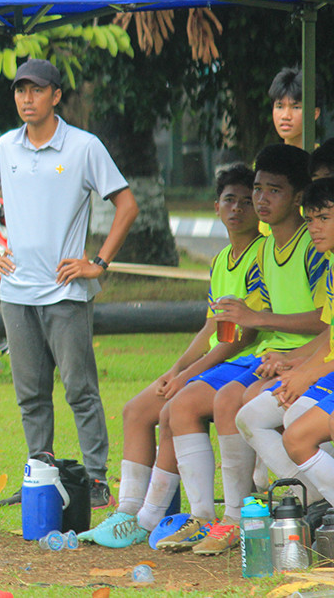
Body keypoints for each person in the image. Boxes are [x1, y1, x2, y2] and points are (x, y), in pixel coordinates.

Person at [0, 58, 139, 508]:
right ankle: (41, 480)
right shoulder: (6, 147)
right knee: (30, 395)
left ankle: (96, 480)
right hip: (16, 292)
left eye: (37, 90)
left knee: (80, 390)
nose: (27, 98)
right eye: (21, 91)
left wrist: (98, 262)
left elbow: (127, 205)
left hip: (66, 291)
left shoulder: (83, 146)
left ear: (56, 96)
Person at [80, 163, 263, 548]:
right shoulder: (221, 260)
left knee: (174, 409)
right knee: (136, 409)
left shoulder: (260, 255)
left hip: (243, 363)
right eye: (230, 200)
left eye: (247, 201)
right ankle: (127, 512)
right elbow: (212, 328)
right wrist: (175, 369)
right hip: (216, 363)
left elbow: (242, 337)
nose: (238, 209)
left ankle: (161, 519)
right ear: (216, 207)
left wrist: (187, 376)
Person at [157, 145, 327, 553]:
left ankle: (290, 506)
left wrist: (260, 323)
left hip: (305, 355)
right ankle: (216, 518)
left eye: (274, 191)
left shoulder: (313, 245)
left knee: (241, 400)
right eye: (257, 189)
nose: (260, 200)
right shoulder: (265, 250)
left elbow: (324, 320)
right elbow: (248, 320)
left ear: (299, 197)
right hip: (273, 354)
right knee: (184, 405)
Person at [236, 176, 334, 510]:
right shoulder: (332, 265)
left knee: (297, 429)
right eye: (310, 220)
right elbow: (330, 336)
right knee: (251, 417)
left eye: (324, 218)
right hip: (327, 372)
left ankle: (314, 503)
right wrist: (297, 366)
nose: (315, 228)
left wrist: (308, 375)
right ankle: (315, 501)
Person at [270, 67, 321, 150]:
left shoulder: (325, 161)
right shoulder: (267, 161)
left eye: (296, 107)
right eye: (279, 107)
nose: (285, 116)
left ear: (315, 113)